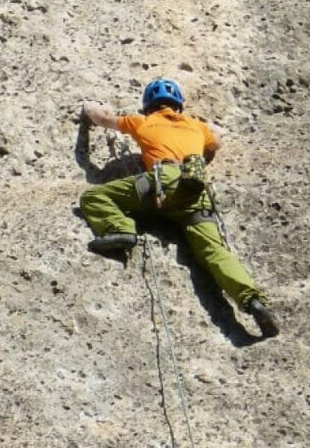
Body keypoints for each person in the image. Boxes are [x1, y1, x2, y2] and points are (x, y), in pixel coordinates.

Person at [79, 78, 280, 338]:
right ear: (179, 106)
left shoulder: (142, 121)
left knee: (94, 197)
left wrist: (88, 106)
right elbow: (216, 142)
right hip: (195, 190)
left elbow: (103, 119)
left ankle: (121, 229)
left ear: (148, 106)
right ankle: (253, 301)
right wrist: (212, 127)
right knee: (215, 252)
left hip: (161, 184)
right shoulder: (196, 126)